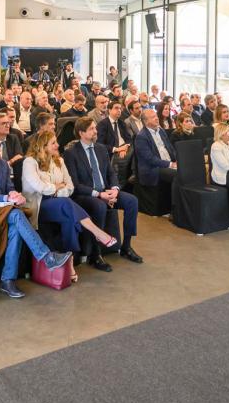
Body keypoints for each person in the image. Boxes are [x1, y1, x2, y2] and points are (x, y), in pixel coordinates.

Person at [0, 133, 71, 298]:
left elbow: (9, 186)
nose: (0, 148)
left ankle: (8, 280)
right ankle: (46, 257)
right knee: (17, 216)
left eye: (0, 145)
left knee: (16, 226)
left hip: (5, 210)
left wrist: (14, 194)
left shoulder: (3, 165)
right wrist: (6, 198)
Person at [23, 131, 119, 279]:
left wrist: (55, 190)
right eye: (53, 143)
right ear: (42, 146)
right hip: (39, 205)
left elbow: (70, 186)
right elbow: (39, 187)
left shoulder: (59, 161)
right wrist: (56, 188)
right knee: (67, 204)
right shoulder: (30, 162)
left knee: (69, 217)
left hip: (60, 202)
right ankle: (97, 232)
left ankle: (70, 261)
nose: (58, 145)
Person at [63, 118, 143, 264]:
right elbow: (75, 185)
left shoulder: (100, 149)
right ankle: (96, 253)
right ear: (81, 133)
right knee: (99, 205)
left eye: (95, 128)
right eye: (92, 129)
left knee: (132, 201)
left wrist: (114, 189)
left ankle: (126, 246)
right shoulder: (71, 153)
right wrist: (99, 194)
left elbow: (111, 173)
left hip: (106, 191)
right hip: (84, 195)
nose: (96, 131)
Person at [133, 108, 178, 189]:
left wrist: (177, 160)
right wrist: (170, 164)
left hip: (168, 163)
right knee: (178, 175)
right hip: (154, 168)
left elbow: (170, 148)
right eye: (153, 117)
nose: (157, 118)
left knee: (186, 170)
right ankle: (175, 201)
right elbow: (150, 159)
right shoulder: (141, 137)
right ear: (146, 121)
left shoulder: (161, 131)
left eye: (156, 115)